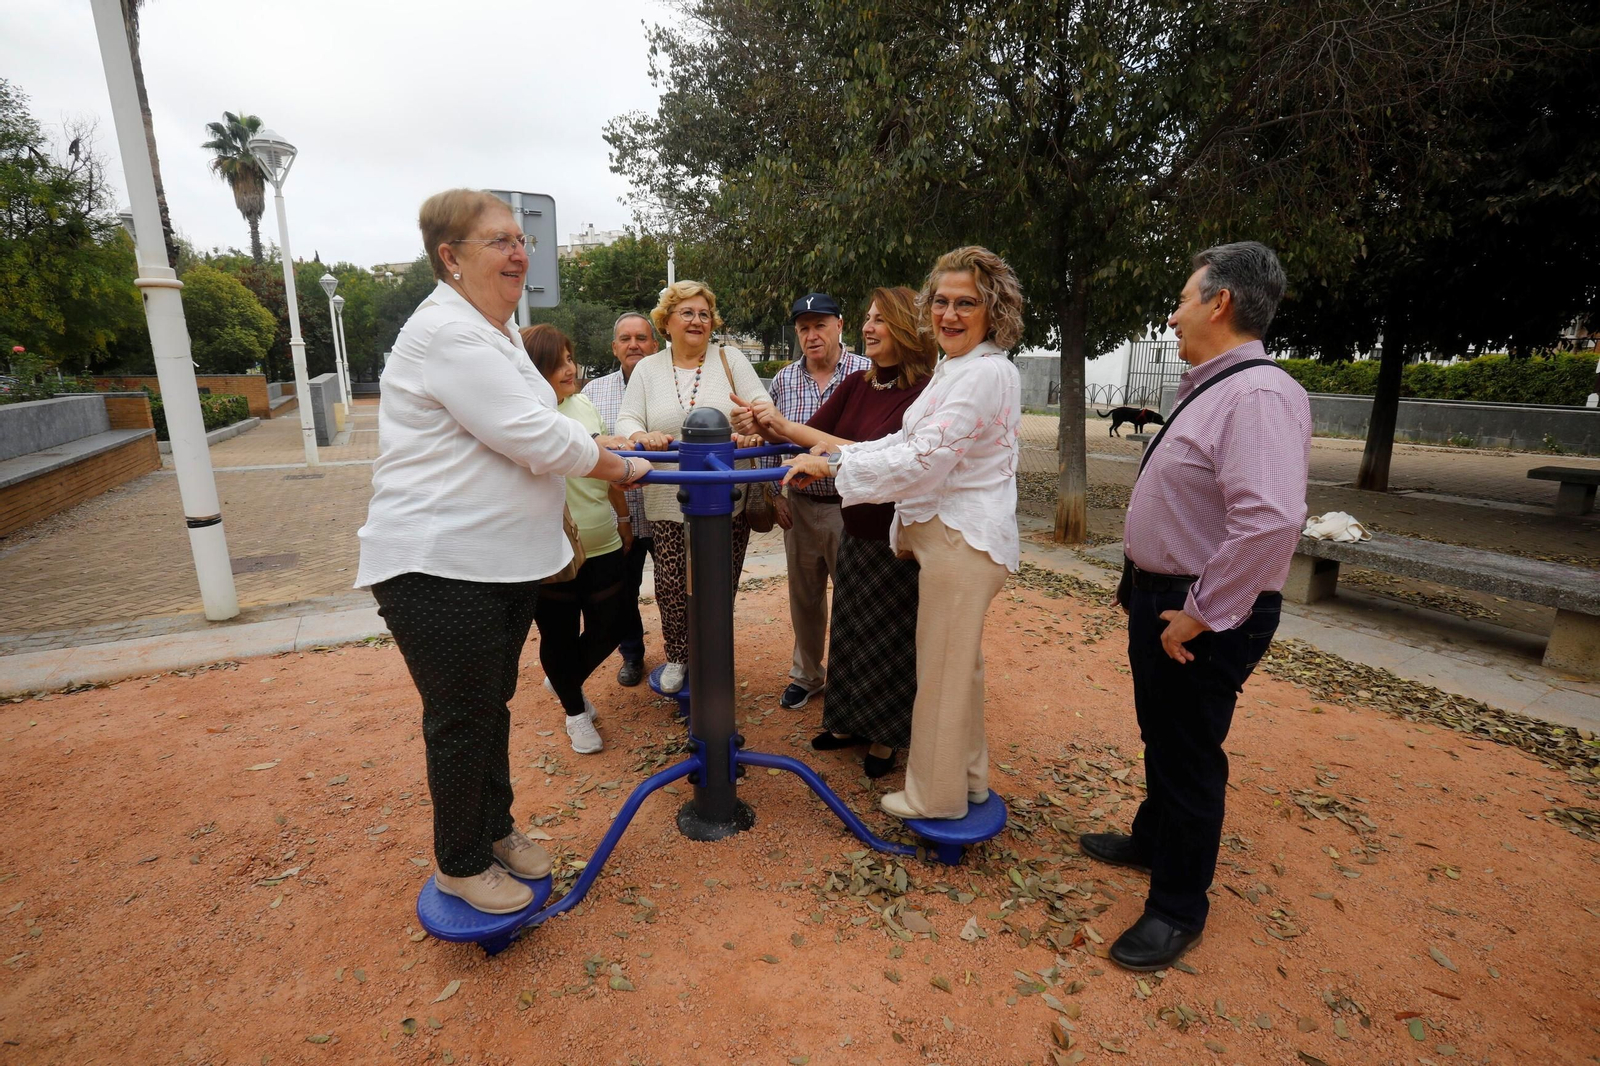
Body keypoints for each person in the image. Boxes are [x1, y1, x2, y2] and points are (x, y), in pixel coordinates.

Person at [355, 189, 646, 915]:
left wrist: (613, 441)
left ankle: (495, 829)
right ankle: (459, 861)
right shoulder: (450, 335)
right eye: (498, 242)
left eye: (520, 239)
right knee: (461, 718)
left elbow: (533, 424)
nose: (519, 252)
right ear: (449, 258)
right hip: (439, 565)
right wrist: (623, 468)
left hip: (496, 562)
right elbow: (535, 438)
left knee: (490, 707)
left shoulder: (497, 333)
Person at [1084, 241, 1309, 972]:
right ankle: (1154, 842)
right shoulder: (1214, 385)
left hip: (1201, 612)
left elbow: (1270, 520)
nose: (1173, 314)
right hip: (1165, 598)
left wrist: (1202, 610)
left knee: (1187, 754)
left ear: (1219, 303)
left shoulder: (1257, 394)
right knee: (1164, 732)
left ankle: (1178, 908)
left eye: (1183, 299)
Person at [782, 247, 1022, 821]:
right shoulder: (958, 368)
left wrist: (835, 466)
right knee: (959, 669)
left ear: (994, 309)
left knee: (939, 674)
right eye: (941, 301)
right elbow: (899, 444)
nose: (950, 314)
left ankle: (932, 798)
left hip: (963, 542)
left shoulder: (983, 373)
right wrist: (840, 456)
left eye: (967, 303)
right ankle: (966, 779)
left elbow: (923, 460)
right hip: (948, 539)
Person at [733, 287, 934, 777]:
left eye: (880, 320)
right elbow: (813, 434)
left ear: (907, 328)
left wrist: (790, 430)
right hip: (854, 524)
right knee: (850, 629)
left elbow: (886, 456)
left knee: (888, 636)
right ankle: (846, 722)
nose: (870, 327)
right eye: (868, 318)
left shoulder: (926, 392)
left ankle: (884, 737)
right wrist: (767, 425)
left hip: (895, 533)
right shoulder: (861, 383)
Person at [614, 280, 770, 694]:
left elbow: (760, 405)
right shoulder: (648, 369)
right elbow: (626, 422)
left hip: (724, 500)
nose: (697, 320)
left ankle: (715, 658)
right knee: (671, 585)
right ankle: (680, 657)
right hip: (670, 499)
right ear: (667, 321)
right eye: (687, 312)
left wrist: (753, 425)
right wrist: (644, 436)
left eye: (704, 314)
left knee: (719, 584)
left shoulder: (730, 359)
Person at [522, 323, 634, 756]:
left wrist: (623, 518)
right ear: (535, 369)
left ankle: (564, 677)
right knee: (558, 634)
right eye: (558, 362)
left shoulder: (585, 403)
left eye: (570, 358)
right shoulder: (528, 414)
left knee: (613, 625)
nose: (570, 368)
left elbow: (606, 464)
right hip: (551, 546)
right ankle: (574, 712)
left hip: (601, 537)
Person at [760, 292, 871, 711]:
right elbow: (776, 440)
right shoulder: (785, 380)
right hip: (802, 504)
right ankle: (807, 674)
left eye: (820, 325)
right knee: (804, 595)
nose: (811, 335)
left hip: (853, 506)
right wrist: (775, 494)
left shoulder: (865, 373)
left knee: (854, 596)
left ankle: (850, 680)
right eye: (804, 328)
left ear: (840, 325)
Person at [582, 313, 660, 687]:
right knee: (622, 593)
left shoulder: (670, 386)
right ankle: (632, 655)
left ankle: (685, 656)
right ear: (614, 348)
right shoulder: (593, 393)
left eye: (642, 338)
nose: (634, 345)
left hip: (667, 509)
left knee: (677, 588)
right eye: (626, 339)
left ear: (655, 345)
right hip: (619, 518)